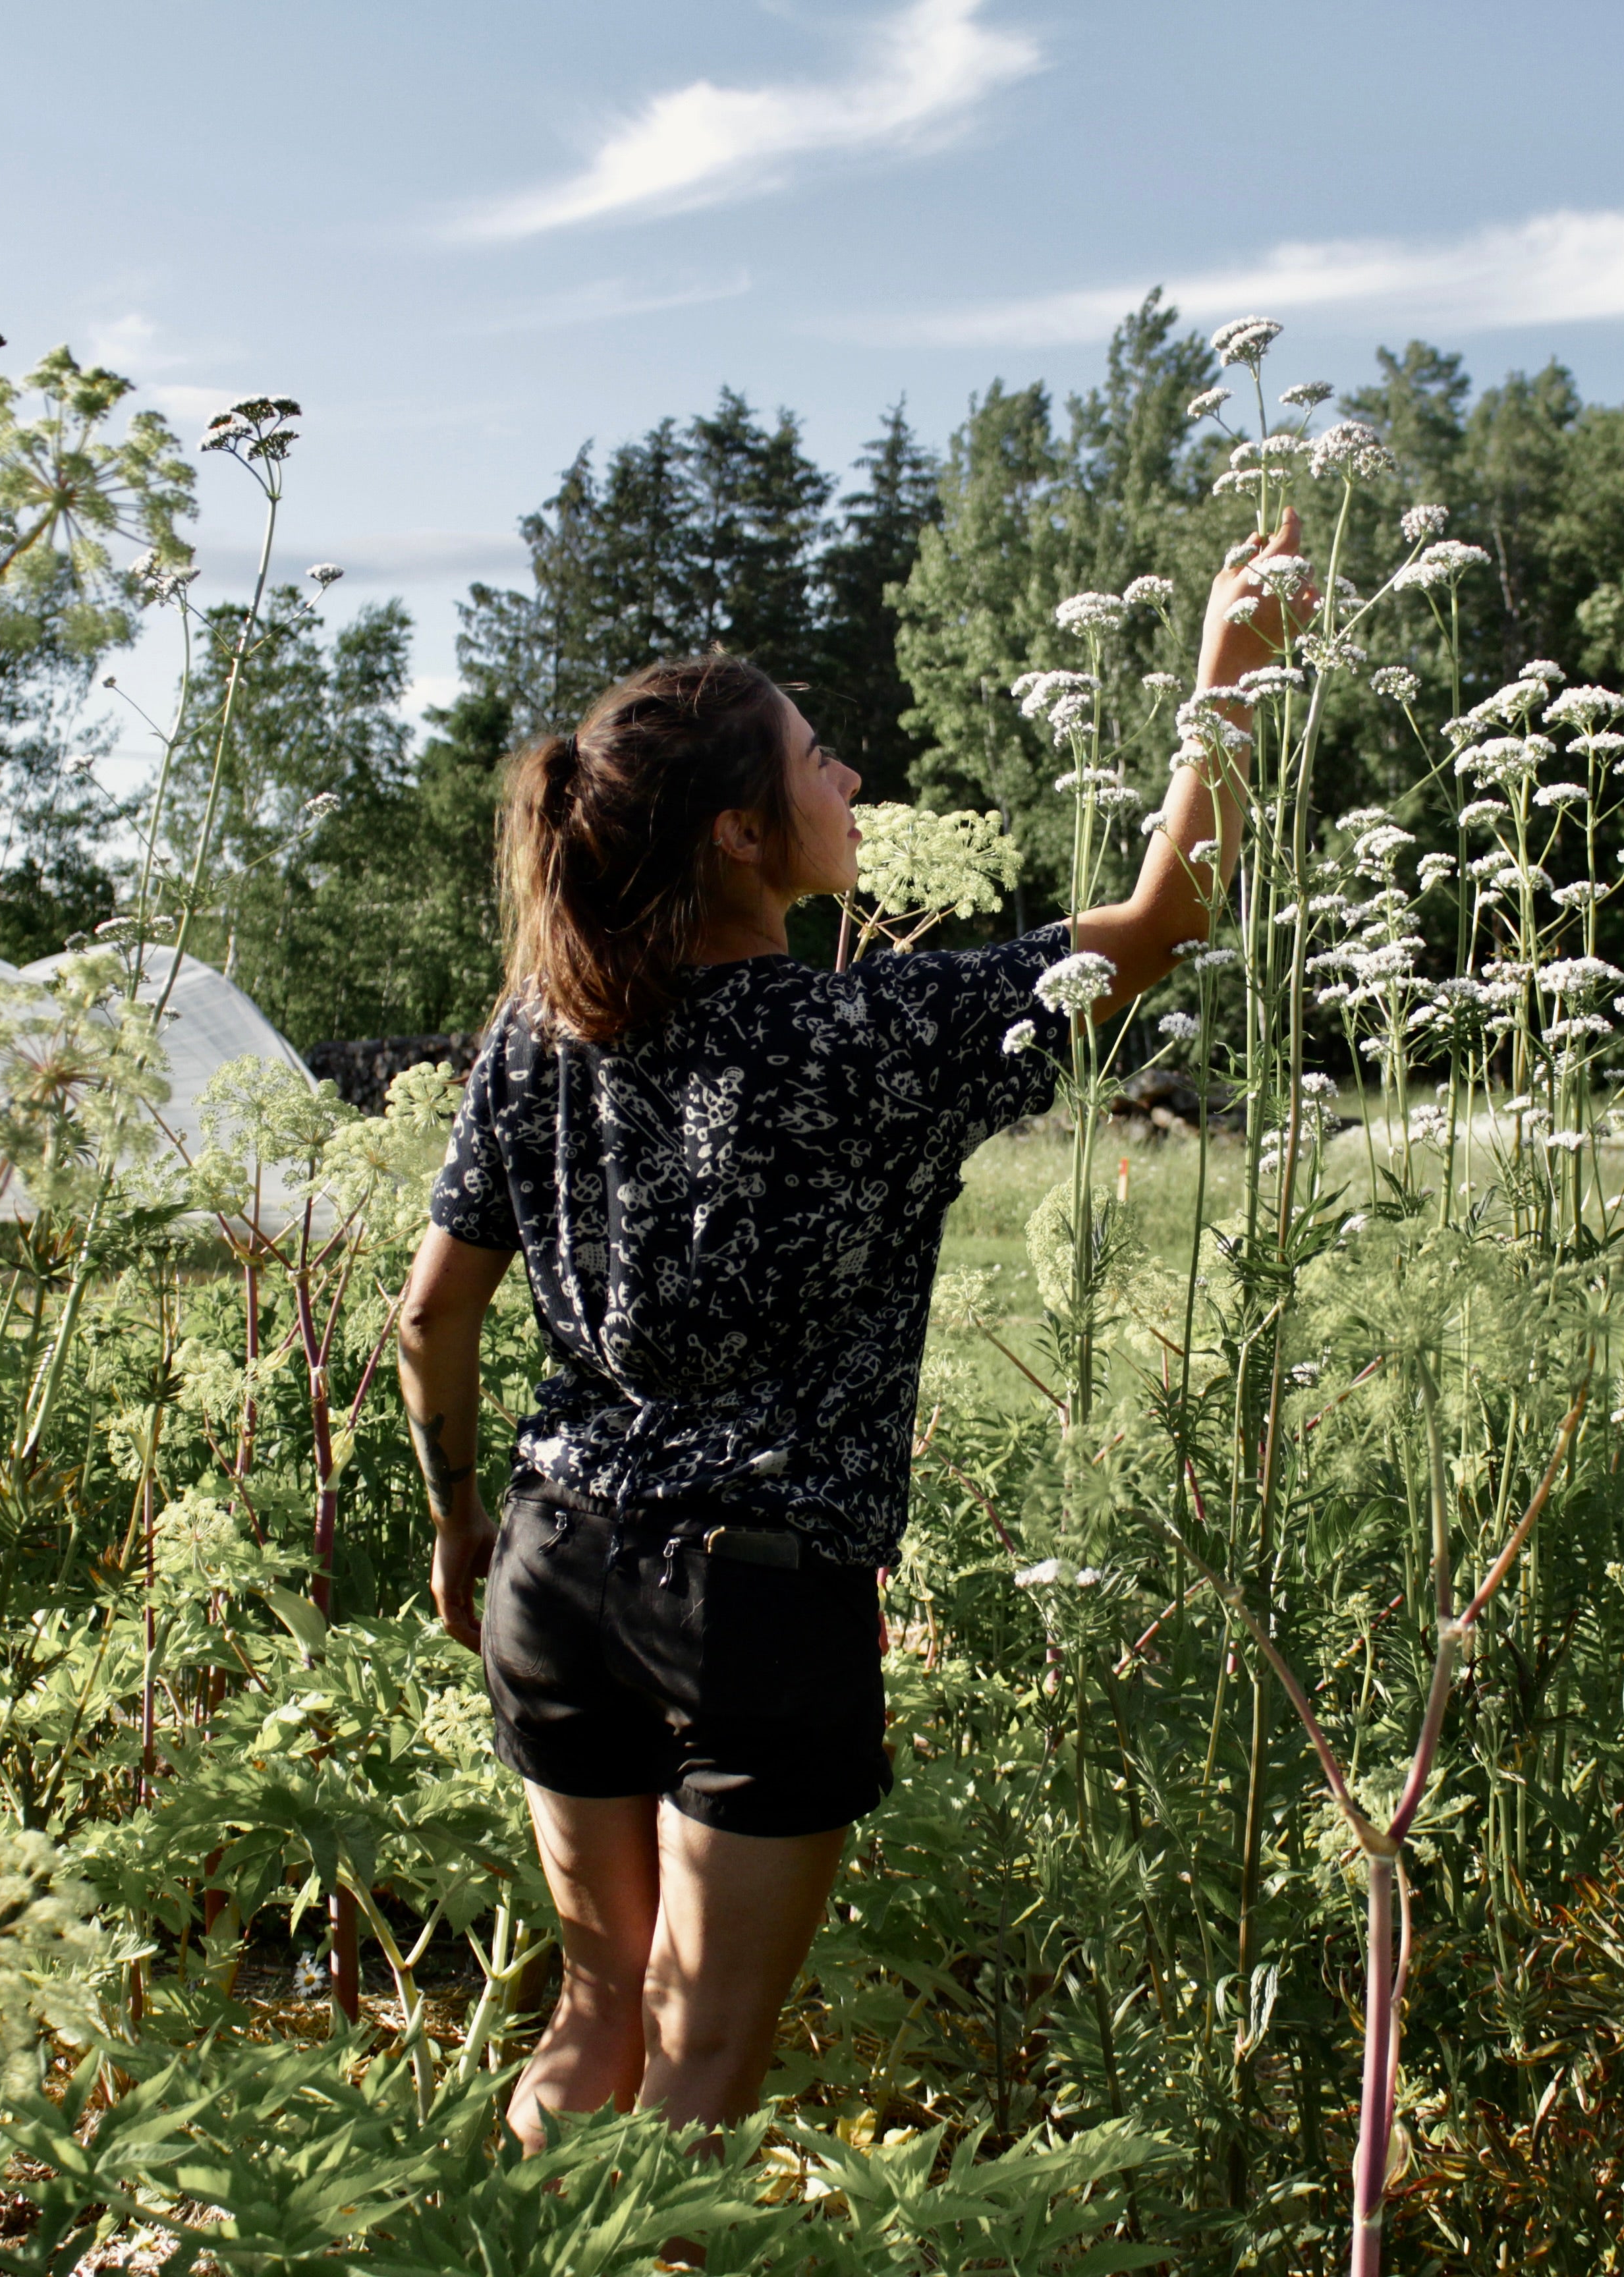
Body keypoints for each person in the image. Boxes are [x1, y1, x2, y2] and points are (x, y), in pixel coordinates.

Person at [395, 508, 1313, 2156]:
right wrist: (1227, 674)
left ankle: (514, 2254)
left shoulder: (541, 1032)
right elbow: (1165, 922)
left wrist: (459, 1522)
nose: (853, 781)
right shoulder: (874, 1034)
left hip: (551, 1562)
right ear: (744, 834)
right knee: (698, 2080)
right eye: (820, 761)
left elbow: (429, 1313)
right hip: (755, 1603)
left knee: (596, 2016)